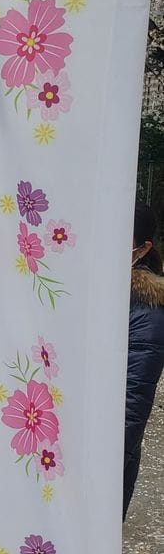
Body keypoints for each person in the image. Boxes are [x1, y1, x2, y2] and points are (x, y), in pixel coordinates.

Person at [123, 202, 164, 518]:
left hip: (99, 463)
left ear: (142, 247)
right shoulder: (90, 292)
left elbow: (133, 402)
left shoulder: (146, 310)